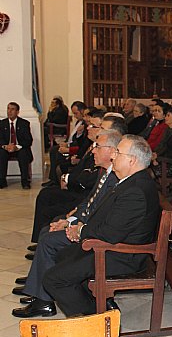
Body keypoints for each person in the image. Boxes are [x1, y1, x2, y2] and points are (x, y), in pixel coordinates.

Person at [42, 135, 160, 317]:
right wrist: (79, 226)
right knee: (63, 256)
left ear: (132, 160)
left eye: (118, 153)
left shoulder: (135, 190)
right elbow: (107, 218)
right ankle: (101, 307)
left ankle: (94, 320)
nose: (113, 156)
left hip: (124, 255)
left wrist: (80, 231)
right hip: (114, 247)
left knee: (53, 279)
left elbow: (110, 233)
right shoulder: (131, 181)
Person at [12, 130, 121, 318]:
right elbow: (89, 203)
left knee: (49, 240)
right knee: (48, 229)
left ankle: (44, 301)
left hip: (93, 235)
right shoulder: (106, 172)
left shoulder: (114, 177)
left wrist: (73, 225)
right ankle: (37, 287)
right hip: (86, 224)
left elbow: (98, 213)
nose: (93, 150)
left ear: (111, 151)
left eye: (98, 146)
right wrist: (68, 220)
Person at [0, 102, 34, 189]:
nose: (9, 111)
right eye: (8, 108)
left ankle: (24, 180)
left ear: (17, 112)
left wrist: (16, 147)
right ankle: (2, 180)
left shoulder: (24, 123)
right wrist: (6, 146)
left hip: (19, 148)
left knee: (23, 153)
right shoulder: (2, 124)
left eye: (12, 109)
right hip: (6, 149)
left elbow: (28, 141)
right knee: (1, 153)